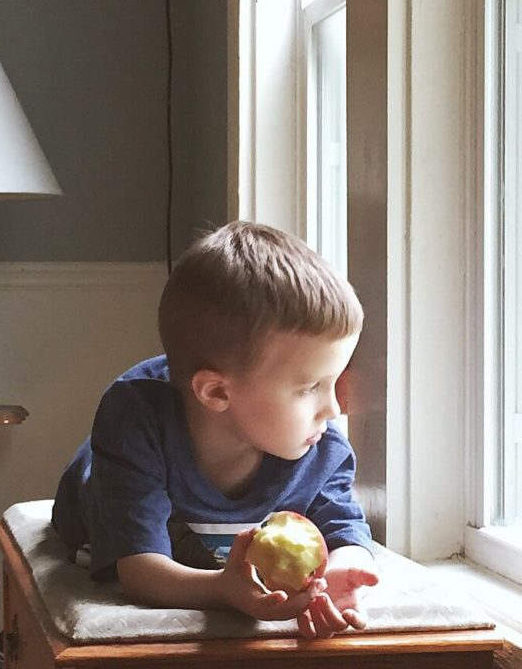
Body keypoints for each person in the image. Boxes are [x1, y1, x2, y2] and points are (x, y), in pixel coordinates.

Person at [52, 221, 379, 641]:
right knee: (99, 509)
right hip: (97, 493)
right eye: (309, 388)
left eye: (333, 382)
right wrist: (223, 590)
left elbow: (345, 529)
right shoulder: (134, 421)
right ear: (218, 392)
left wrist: (342, 569)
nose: (332, 408)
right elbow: (138, 569)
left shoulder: (321, 446)